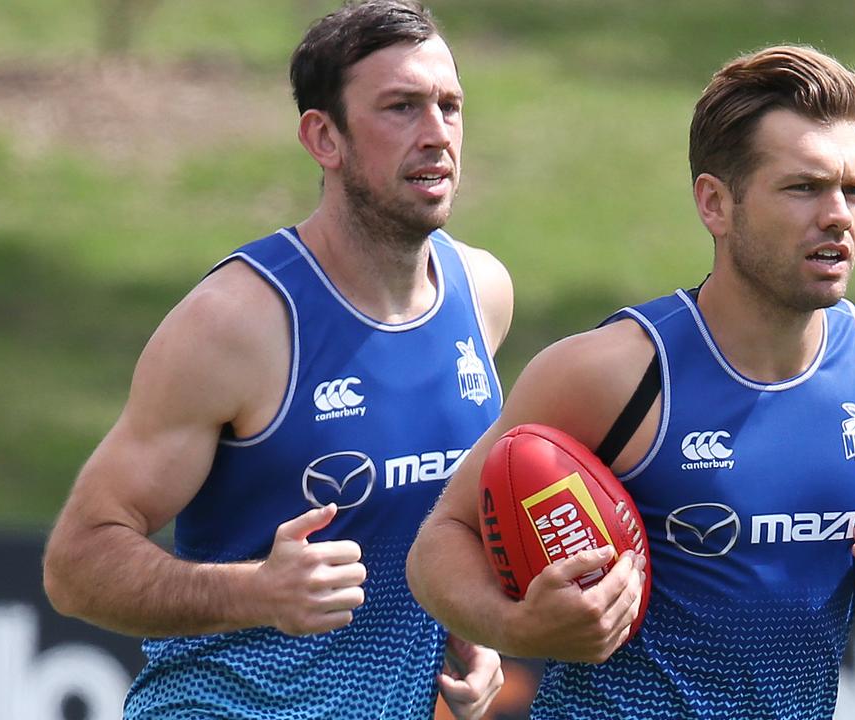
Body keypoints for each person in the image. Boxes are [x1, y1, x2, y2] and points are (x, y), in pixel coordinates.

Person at [405, 44, 855, 719]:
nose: (838, 215)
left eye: (853, 191)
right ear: (715, 203)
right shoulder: (614, 374)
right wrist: (519, 630)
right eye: (803, 187)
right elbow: (437, 547)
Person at [42, 2, 509, 718]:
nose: (437, 133)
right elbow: (76, 565)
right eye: (402, 107)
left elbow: (417, 525)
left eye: (450, 106)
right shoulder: (238, 323)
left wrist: (470, 627)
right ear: (324, 137)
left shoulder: (482, 294)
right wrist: (255, 591)